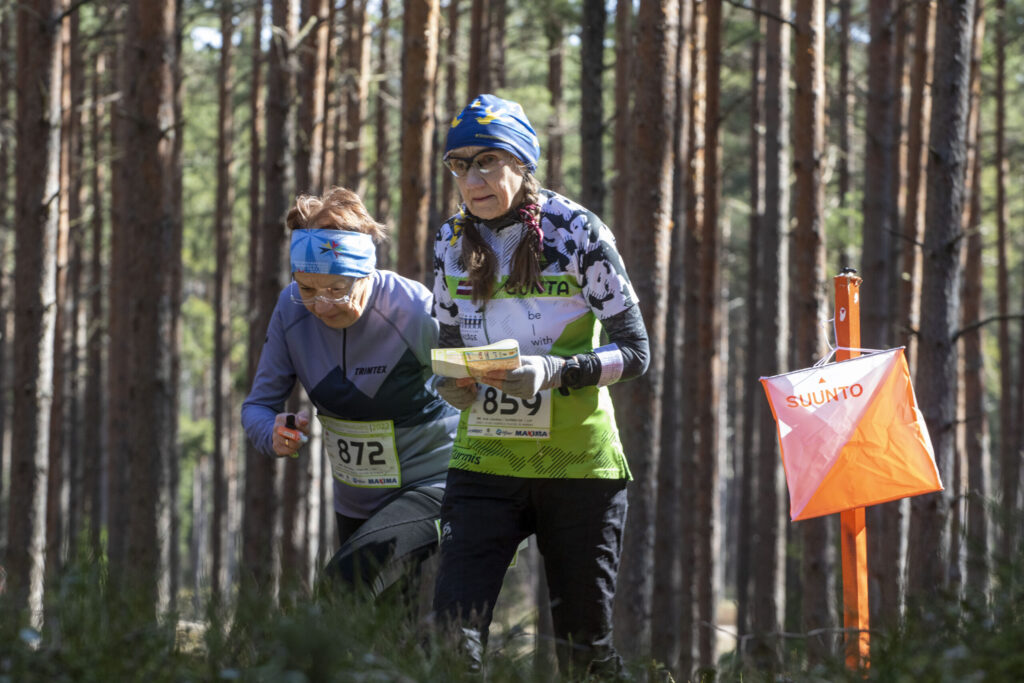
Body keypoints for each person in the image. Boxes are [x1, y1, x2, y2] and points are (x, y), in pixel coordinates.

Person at [430, 94, 650, 677]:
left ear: (522, 163)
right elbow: (451, 347)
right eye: (458, 164)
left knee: (584, 655)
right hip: (485, 462)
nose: (471, 178)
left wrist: (553, 372)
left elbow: (636, 353)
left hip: (578, 468)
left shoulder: (576, 230)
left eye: (487, 161)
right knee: (452, 642)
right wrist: (449, 383)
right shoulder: (450, 241)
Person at [241, 187, 458, 599]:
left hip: (433, 485)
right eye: (307, 289)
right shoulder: (290, 310)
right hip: (356, 500)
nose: (321, 306)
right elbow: (257, 406)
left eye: (337, 289)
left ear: (366, 273)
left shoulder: (411, 309)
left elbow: (474, 383)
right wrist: (270, 433)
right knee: (380, 634)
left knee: (342, 584)